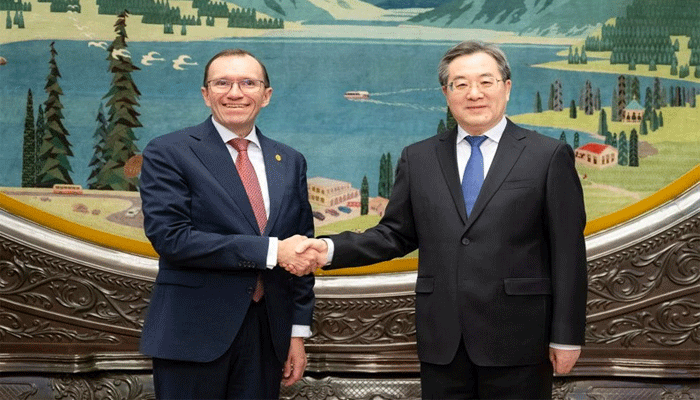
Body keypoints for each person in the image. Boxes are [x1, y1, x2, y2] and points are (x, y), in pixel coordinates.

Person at [292, 40, 587, 399]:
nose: (474, 93)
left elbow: (568, 253)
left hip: (520, 338)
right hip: (443, 341)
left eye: (486, 82)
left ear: (507, 88)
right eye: (460, 84)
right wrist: (326, 249)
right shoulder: (419, 158)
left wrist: (566, 336)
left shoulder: (548, 155)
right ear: (446, 93)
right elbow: (394, 234)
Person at [139, 48, 318, 400]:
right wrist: (271, 251)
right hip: (192, 334)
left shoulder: (290, 161)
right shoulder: (168, 151)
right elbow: (171, 238)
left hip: (267, 335)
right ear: (206, 94)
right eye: (222, 83)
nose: (235, 93)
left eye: (248, 83)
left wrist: (296, 332)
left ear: (266, 95)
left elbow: (299, 247)